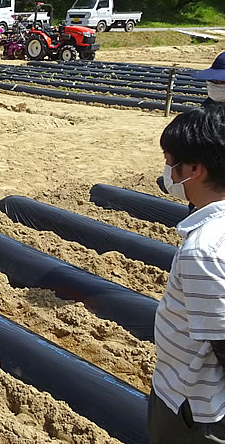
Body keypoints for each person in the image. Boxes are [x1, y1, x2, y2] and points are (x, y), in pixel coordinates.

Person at [149, 105, 225, 443]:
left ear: (195, 169)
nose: (167, 172)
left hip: (193, 409)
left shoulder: (204, 249)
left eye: (170, 162)